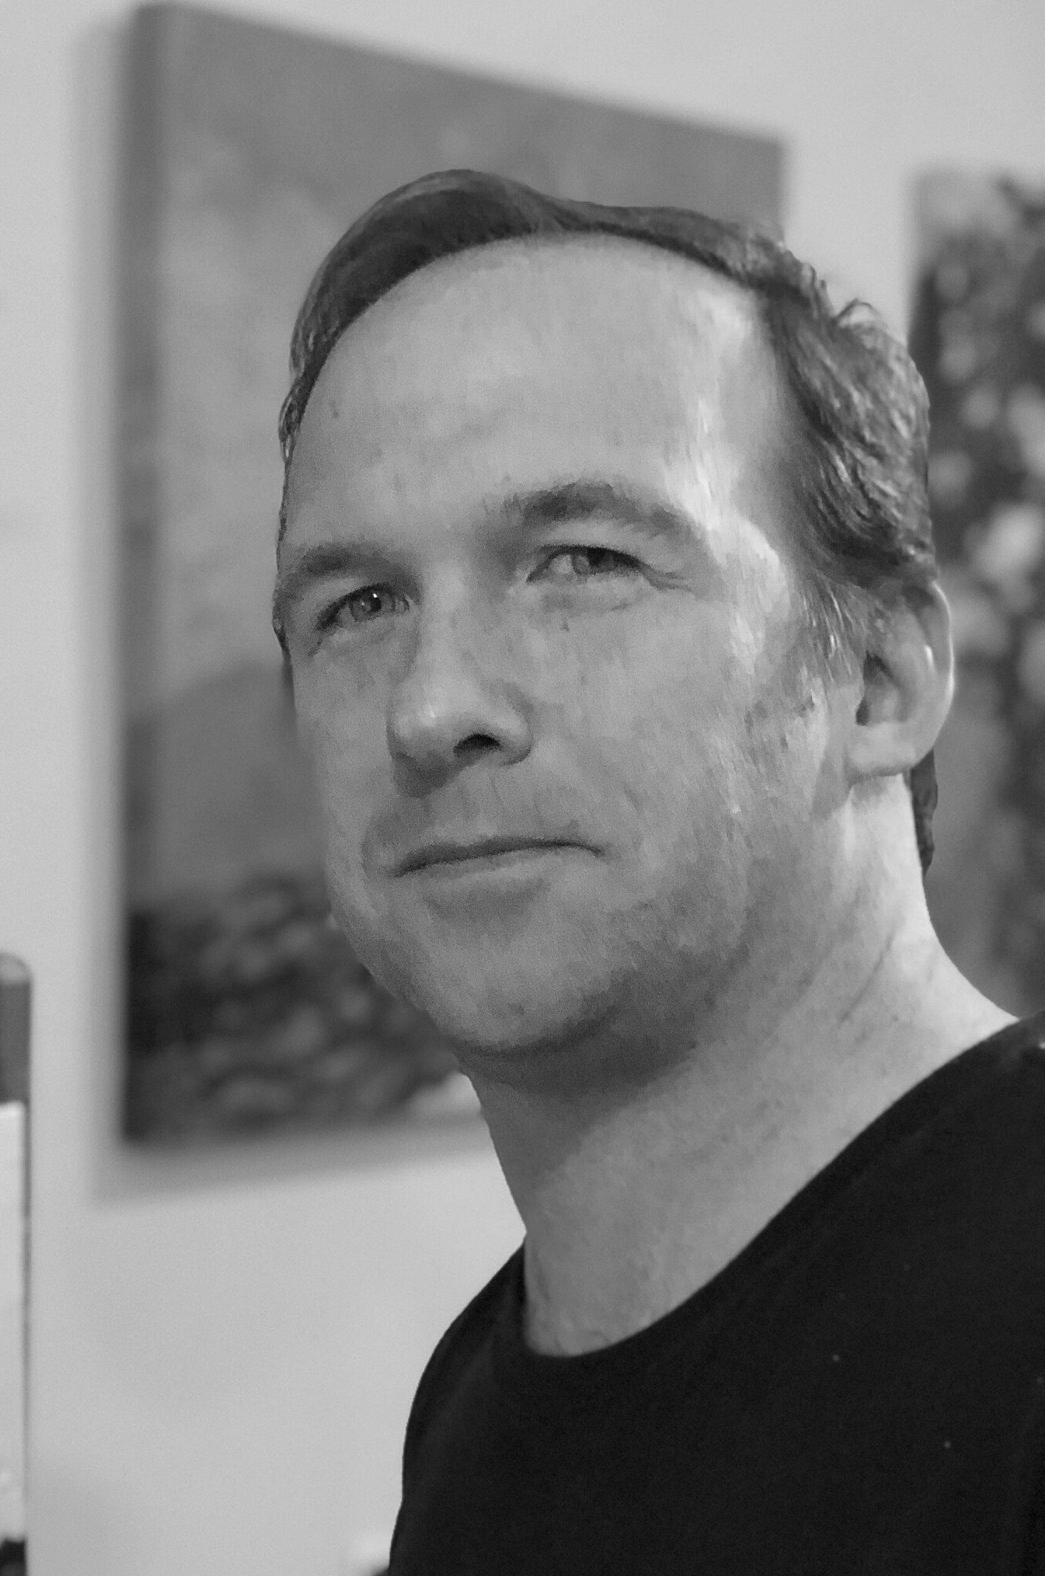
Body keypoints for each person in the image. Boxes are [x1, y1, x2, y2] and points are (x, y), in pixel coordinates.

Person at [270, 169, 1045, 1574]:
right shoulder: (478, 1409)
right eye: (360, 605)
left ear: (880, 679)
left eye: (581, 561)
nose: (433, 706)